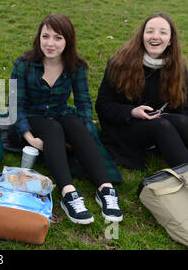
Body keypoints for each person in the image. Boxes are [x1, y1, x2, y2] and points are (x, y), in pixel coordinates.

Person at [8, 14, 123, 224]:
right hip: (31, 120)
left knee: (74, 124)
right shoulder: (23, 64)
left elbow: (84, 103)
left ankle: (105, 189)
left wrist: (83, 133)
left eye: (58, 38)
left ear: (68, 40)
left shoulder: (76, 66)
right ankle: (69, 194)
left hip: (59, 114)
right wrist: (30, 139)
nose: (50, 43)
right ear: (38, 37)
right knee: (53, 128)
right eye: (46, 36)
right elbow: (16, 107)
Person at [95, 12, 188, 170]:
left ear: (170, 40)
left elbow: (184, 109)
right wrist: (132, 112)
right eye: (150, 31)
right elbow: (102, 106)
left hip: (160, 123)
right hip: (124, 127)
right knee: (161, 125)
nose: (155, 36)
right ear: (142, 35)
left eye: (163, 32)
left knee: (180, 121)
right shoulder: (119, 63)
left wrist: (171, 117)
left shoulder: (179, 68)